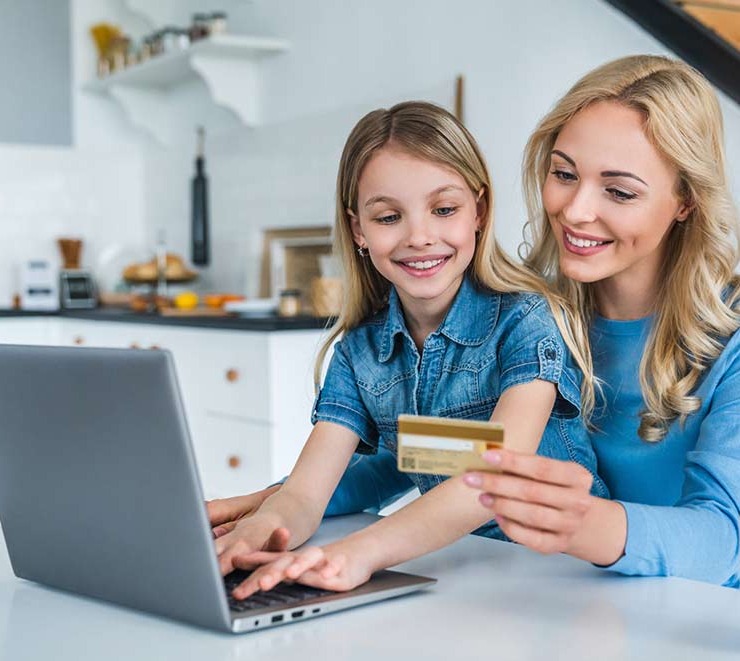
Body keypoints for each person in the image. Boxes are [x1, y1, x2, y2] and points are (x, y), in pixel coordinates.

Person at [211, 101, 608, 599]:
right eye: (388, 217)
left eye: (444, 209)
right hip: (461, 572)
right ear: (359, 230)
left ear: (479, 212)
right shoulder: (359, 351)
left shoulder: (526, 321)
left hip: (567, 582)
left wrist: (361, 551)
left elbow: (492, 476)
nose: (420, 237)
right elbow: (308, 493)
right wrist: (261, 527)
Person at [462, 55, 740, 586]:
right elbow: (432, 448)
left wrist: (579, 523)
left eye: (618, 191)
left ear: (686, 200)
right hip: (534, 608)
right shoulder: (520, 316)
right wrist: (298, 497)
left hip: (679, 631)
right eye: (564, 174)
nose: (575, 210)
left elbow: (724, 542)